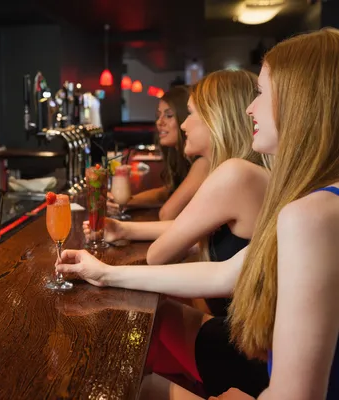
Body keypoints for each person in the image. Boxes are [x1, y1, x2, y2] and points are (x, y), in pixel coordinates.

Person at [58, 28, 339, 399]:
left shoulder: (310, 215)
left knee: (118, 387)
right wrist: (105, 273)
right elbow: (226, 272)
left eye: (261, 93)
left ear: (300, 102)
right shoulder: (318, 200)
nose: (250, 109)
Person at [88, 70, 268, 318]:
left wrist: (105, 273)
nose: (184, 124)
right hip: (234, 325)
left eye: (191, 113)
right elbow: (198, 231)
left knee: (129, 312)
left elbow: (158, 254)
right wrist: (125, 229)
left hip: (235, 336)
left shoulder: (235, 174)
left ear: (217, 117)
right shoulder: (252, 171)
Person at [108, 86, 210, 221]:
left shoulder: (202, 163)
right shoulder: (182, 158)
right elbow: (167, 192)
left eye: (168, 116)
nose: (159, 122)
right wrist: (124, 203)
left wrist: (121, 229)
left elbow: (167, 214)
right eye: (158, 116)